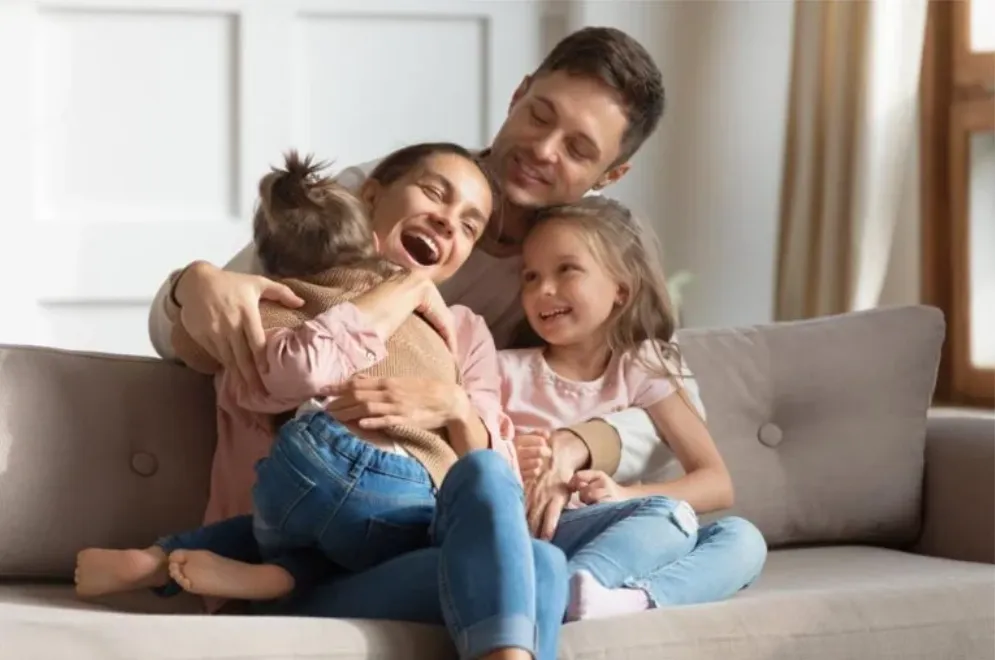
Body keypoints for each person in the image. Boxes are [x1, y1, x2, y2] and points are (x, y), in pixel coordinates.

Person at [79, 143, 567, 660]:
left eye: (469, 226)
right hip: (281, 571)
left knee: (540, 557)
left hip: (408, 556)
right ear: (370, 197)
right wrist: (191, 281)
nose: (448, 222)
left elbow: (502, 492)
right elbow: (193, 345)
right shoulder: (280, 294)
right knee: (529, 577)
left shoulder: (463, 332)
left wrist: (455, 408)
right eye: (433, 193)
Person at [501, 196, 766, 621]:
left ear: (620, 290)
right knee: (667, 519)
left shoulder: (644, 365)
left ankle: (625, 600)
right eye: (530, 276)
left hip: (629, 526)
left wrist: (626, 496)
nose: (542, 289)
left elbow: (716, 483)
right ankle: (562, 591)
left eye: (566, 269)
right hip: (545, 530)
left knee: (743, 538)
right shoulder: (504, 370)